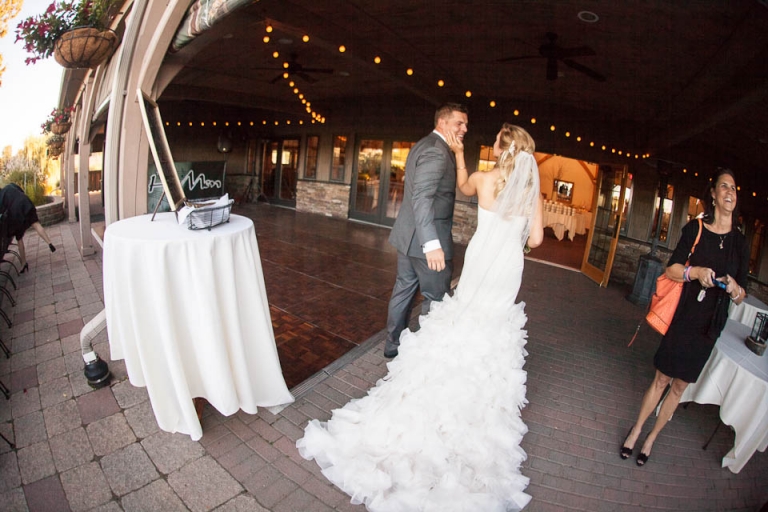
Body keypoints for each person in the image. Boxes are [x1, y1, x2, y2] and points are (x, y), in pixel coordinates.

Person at [297, 124, 543, 511]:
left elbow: (463, 189)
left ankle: (444, 376)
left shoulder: (482, 178)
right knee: (493, 326)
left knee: (463, 318)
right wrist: (517, 234)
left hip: (480, 260)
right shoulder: (530, 189)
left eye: (494, 141)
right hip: (508, 265)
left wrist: (462, 157)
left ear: (500, 148)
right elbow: (539, 240)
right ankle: (478, 395)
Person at [620, 168, 749, 466]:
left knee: (679, 386)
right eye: (724, 187)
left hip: (710, 325)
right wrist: (695, 273)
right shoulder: (696, 229)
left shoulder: (740, 243)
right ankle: (636, 430)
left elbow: (743, 295)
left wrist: (733, 288)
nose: (731, 192)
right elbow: (671, 269)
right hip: (686, 315)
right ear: (714, 195)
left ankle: (652, 438)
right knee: (662, 377)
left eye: (734, 188)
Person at [383, 103, 468, 358]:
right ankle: (424, 356)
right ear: (442, 123)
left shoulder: (424, 144)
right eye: (459, 123)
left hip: (408, 237)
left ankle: (392, 345)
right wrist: (431, 244)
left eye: (465, 124)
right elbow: (422, 199)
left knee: (403, 289)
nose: (464, 128)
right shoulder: (437, 152)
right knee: (435, 298)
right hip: (427, 243)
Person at [0, 183, 56, 273]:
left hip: (16, 214)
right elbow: (21, 190)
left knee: (19, 238)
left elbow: (2, 213)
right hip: (26, 203)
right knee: (36, 224)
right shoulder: (10, 186)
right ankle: (49, 243)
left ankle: (23, 263)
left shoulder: (1, 197)